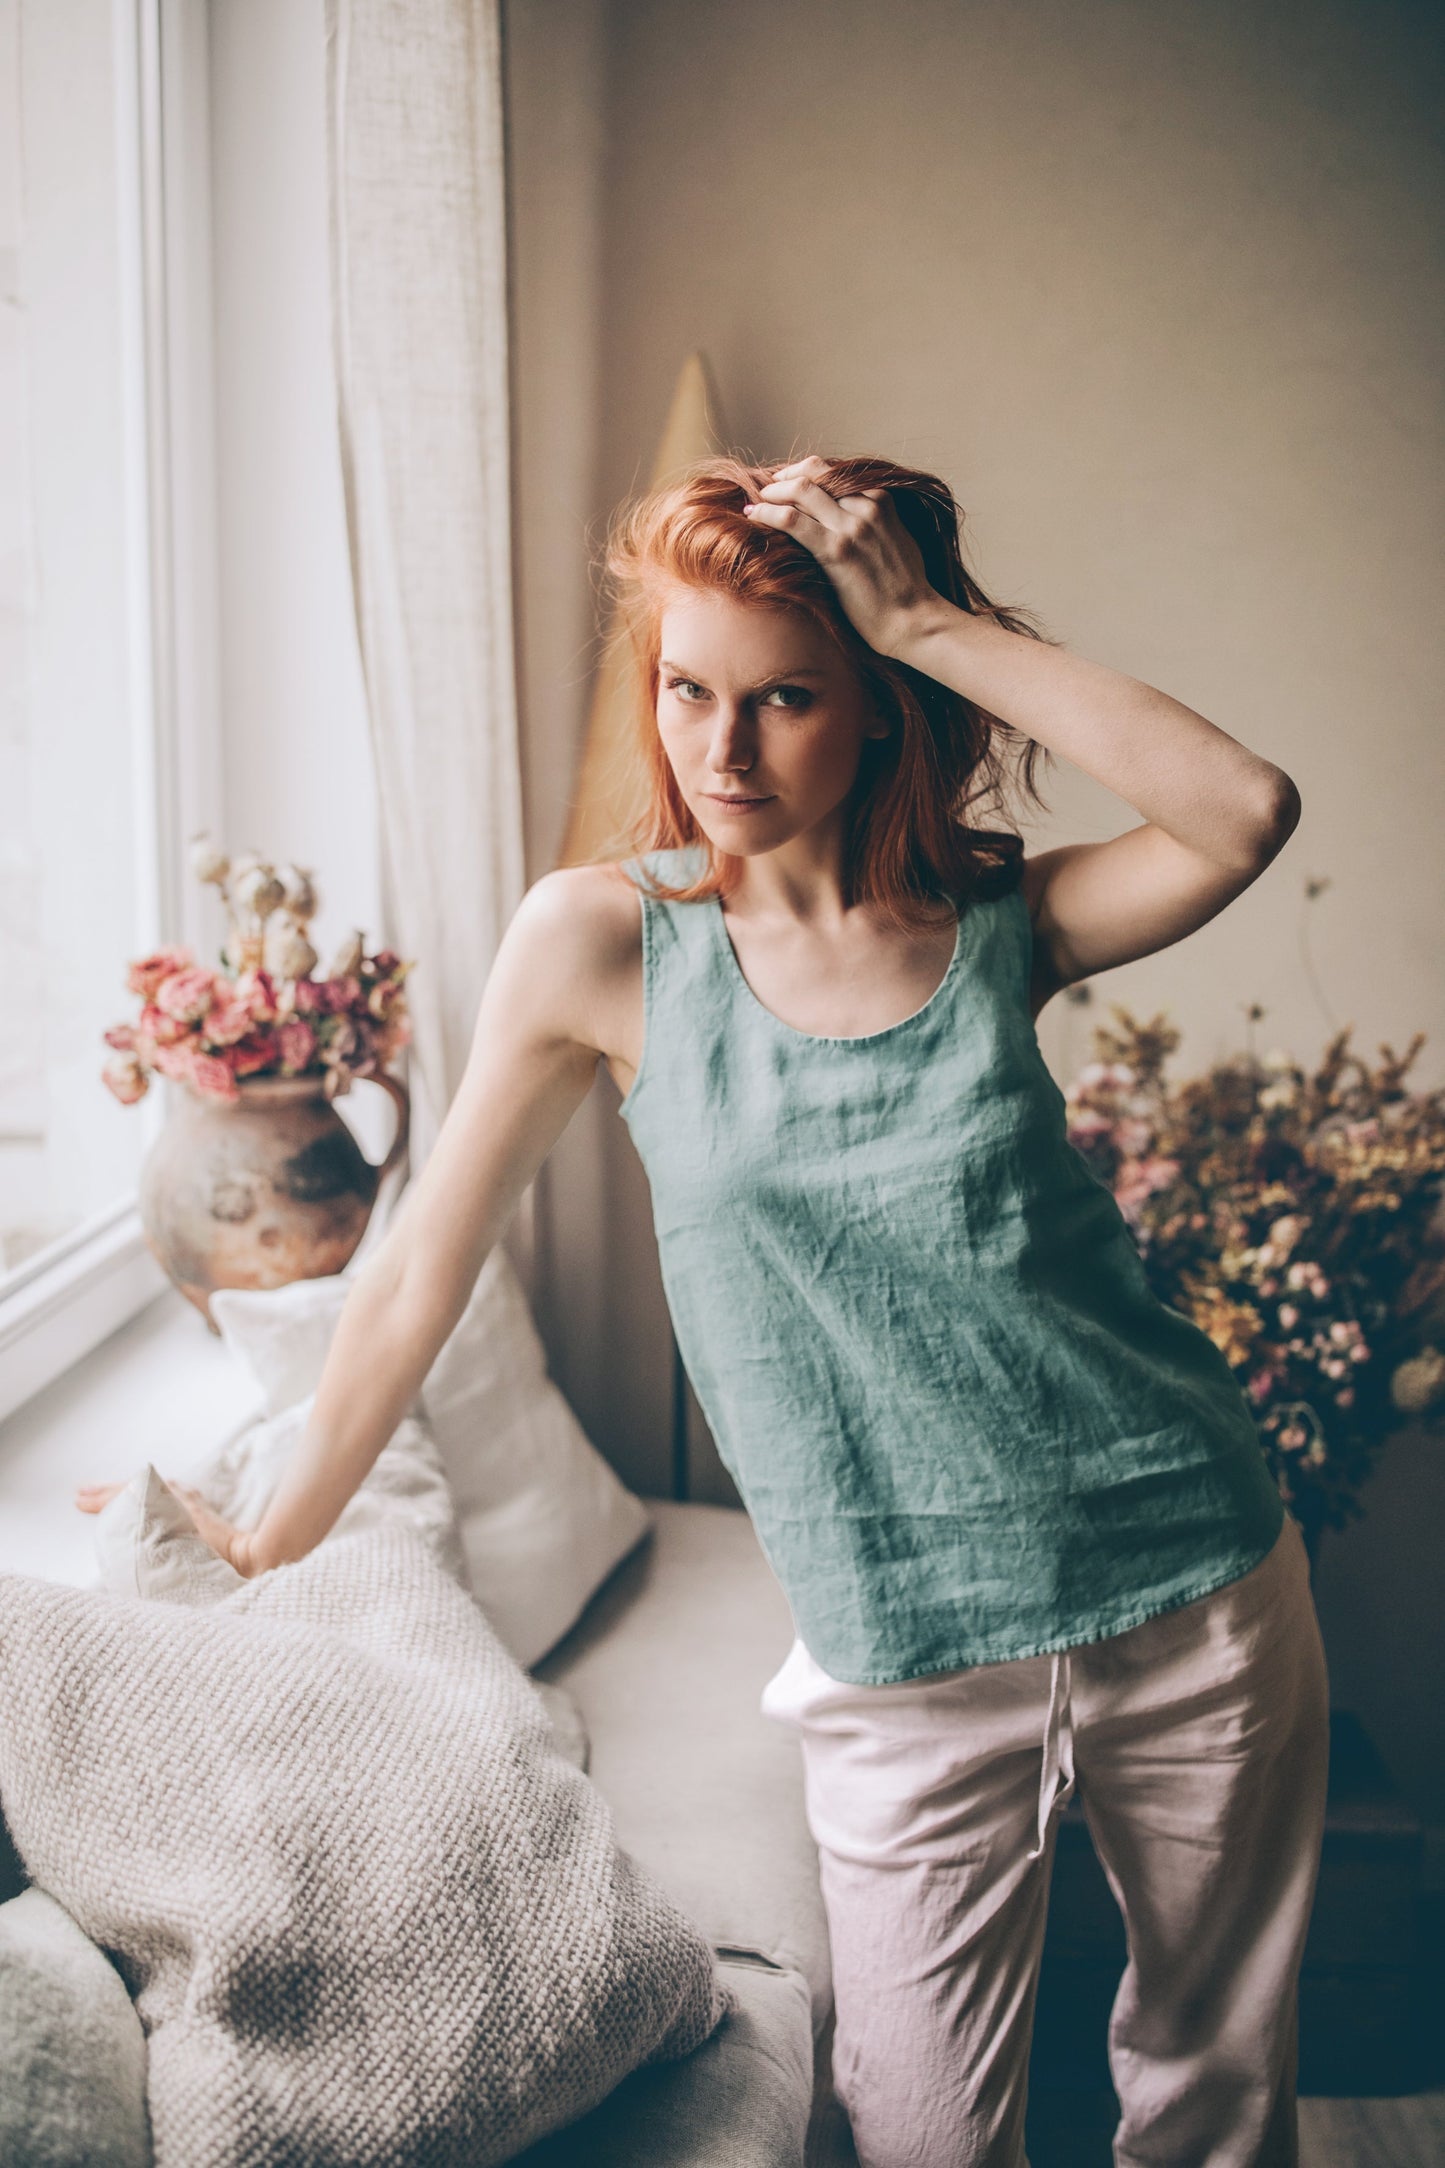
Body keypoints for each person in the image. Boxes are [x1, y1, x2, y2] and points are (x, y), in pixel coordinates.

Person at [79, 452, 1330, 2168]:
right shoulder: (604, 945)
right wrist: (265, 1534)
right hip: (901, 1650)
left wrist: (930, 619)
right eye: (687, 691)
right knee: (921, 2137)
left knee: (1210, 2095)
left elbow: (1241, 811)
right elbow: (420, 1262)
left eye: (787, 698)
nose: (719, 750)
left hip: (1186, 1573)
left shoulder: (992, 921)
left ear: (882, 711)